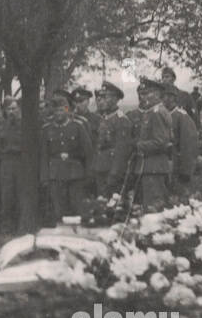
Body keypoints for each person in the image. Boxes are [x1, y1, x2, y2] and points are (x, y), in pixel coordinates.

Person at [40, 89, 94, 224]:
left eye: (62, 110)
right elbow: (44, 155)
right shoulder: (47, 129)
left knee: (76, 208)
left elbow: (88, 153)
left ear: (68, 110)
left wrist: (88, 175)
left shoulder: (78, 126)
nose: (59, 113)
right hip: (55, 174)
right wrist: (44, 177)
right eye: (56, 110)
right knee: (58, 209)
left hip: (75, 173)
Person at [129, 78, 174, 208]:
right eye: (141, 94)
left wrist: (137, 145)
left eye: (147, 93)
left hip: (154, 167)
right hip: (148, 167)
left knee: (153, 208)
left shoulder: (157, 112)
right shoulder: (153, 111)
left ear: (157, 94)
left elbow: (161, 142)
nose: (142, 98)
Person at [92, 81, 133, 198]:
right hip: (100, 169)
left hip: (113, 172)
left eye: (106, 97)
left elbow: (122, 151)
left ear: (115, 99)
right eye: (101, 97)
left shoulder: (121, 120)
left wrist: (114, 174)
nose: (102, 100)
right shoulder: (103, 118)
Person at [162, 83, 200, 198]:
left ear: (172, 98)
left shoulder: (181, 116)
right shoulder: (160, 114)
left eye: (165, 96)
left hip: (176, 165)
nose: (162, 99)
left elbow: (188, 145)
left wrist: (186, 171)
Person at [0, 97, 23, 230]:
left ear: (18, 109)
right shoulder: (1, 126)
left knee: (20, 193)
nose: (12, 111)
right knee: (7, 194)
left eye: (14, 108)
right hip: (6, 162)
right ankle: (7, 225)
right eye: (9, 109)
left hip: (20, 161)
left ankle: (20, 225)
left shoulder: (24, 125)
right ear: (5, 111)